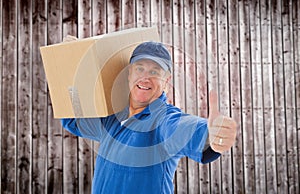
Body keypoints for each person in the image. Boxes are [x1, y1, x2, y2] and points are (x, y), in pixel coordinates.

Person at [61, 41, 237, 193]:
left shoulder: (162, 121)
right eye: (140, 69)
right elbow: (72, 118)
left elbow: (184, 128)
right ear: (129, 73)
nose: (145, 78)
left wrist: (210, 135)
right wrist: (69, 62)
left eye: (154, 72)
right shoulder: (112, 119)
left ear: (166, 80)